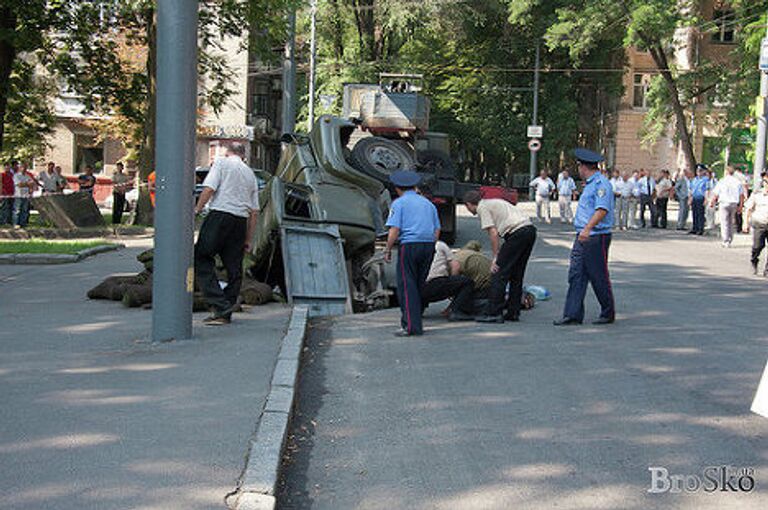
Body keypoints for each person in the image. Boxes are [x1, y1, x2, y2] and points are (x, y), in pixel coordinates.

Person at [194, 143, 260, 325]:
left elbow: (209, 189)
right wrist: (248, 239)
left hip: (220, 216)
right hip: (239, 222)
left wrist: (197, 210)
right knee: (234, 268)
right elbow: (254, 212)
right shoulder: (250, 174)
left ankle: (219, 305)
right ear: (243, 156)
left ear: (227, 152)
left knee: (201, 257)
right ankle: (226, 310)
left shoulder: (222, 164)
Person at [554, 148, 615, 326]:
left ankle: (608, 311)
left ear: (583, 166)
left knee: (598, 275)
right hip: (583, 235)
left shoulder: (601, 184)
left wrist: (587, 229)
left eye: (579, 166)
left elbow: (602, 209)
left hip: (596, 236)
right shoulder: (590, 184)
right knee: (576, 274)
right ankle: (572, 314)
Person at [463, 189, 536, 323]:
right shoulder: (492, 202)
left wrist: (496, 257)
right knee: (516, 274)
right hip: (529, 230)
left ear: (469, 204)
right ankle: (513, 312)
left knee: (498, 273)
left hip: (516, 233)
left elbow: (493, 233)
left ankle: (494, 312)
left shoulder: (482, 208)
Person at [384, 170, 441, 337]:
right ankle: (417, 320)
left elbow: (395, 229)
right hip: (428, 245)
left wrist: (387, 249)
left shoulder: (399, 204)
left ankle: (411, 326)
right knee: (418, 285)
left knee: (407, 286)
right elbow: (437, 229)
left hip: (409, 246)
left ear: (397, 188)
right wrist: (431, 245)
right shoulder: (428, 204)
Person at [421, 240, 476, 321]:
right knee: (467, 282)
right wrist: (453, 280)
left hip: (419, 288)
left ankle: (417, 310)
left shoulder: (414, 246)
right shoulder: (440, 245)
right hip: (437, 282)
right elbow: (455, 266)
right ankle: (455, 311)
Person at [710, 165, 744, 248]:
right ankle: (730, 239)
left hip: (724, 202)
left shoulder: (722, 181)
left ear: (726, 172)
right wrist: (741, 206)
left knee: (724, 221)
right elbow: (741, 195)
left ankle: (725, 240)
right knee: (731, 222)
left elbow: (716, 193)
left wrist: (712, 201)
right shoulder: (737, 182)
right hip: (733, 203)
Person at [743, 172, 768, 276]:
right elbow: (748, 209)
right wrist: (745, 223)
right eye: (766, 181)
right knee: (758, 246)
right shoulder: (757, 194)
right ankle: (754, 260)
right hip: (759, 223)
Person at [688, 164, 710, 235]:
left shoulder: (705, 180)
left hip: (701, 198)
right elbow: (691, 189)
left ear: (703, 171)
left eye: (700, 170)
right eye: (697, 170)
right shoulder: (695, 179)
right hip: (694, 198)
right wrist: (690, 198)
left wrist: (706, 199)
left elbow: (707, 190)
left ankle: (700, 229)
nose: (699, 172)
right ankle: (695, 228)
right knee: (694, 213)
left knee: (700, 214)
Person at [13, 163, 36, 228]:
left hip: (26, 195)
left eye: (25, 167)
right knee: (17, 211)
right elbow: (19, 185)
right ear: (20, 168)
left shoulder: (27, 176)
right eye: (23, 167)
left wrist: (26, 184)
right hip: (18, 195)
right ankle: (16, 224)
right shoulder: (16, 176)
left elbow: (32, 184)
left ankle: (23, 224)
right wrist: (27, 184)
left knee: (25, 210)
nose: (24, 169)